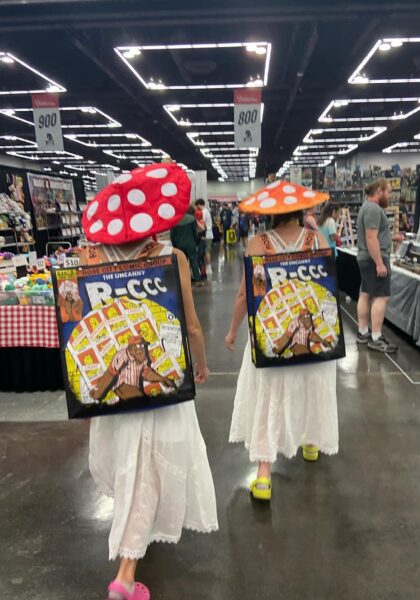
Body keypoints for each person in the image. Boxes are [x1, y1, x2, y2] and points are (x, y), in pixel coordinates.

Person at [82, 163, 218, 599]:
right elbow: (191, 326)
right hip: (162, 387)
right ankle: (125, 575)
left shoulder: (90, 259)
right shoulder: (172, 258)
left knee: (130, 461)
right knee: (152, 461)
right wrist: (200, 364)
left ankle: (134, 542)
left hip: (112, 394)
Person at [225, 207, 338, 502]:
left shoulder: (257, 244)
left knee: (268, 400)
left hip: (272, 337)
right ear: (299, 212)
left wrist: (232, 330)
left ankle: (264, 476)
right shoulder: (317, 240)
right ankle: (311, 444)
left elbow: (245, 295)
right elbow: (328, 285)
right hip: (312, 341)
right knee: (311, 388)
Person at [356, 178, 403, 353]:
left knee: (365, 294)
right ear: (379, 191)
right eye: (388, 192)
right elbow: (370, 238)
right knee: (382, 297)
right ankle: (376, 338)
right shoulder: (374, 209)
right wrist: (379, 263)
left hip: (365, 257)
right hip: (374, 258)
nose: (389, 196)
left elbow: (373, 235)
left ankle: (363, 333)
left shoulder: (366, 207)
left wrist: (390, 238)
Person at [170, 207, 204, 286]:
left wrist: (175, 246)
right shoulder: (191, 218)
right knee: (194, 262)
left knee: (182, 264)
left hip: (179, 245)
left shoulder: (174, 220)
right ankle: (198, 280)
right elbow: (195, 233)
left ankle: (184, 281)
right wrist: (195, 243)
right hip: (191, 244)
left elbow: (172, 236)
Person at [195, 199, 214, 275]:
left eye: (196, 206)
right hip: (208, 234)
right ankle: (208, 267)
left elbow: (201, 224)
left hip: (206, 234)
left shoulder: (203, 212)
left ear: (199, 205)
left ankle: (209, 267)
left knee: (206, 251)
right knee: (206, 251)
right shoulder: (206, 211)